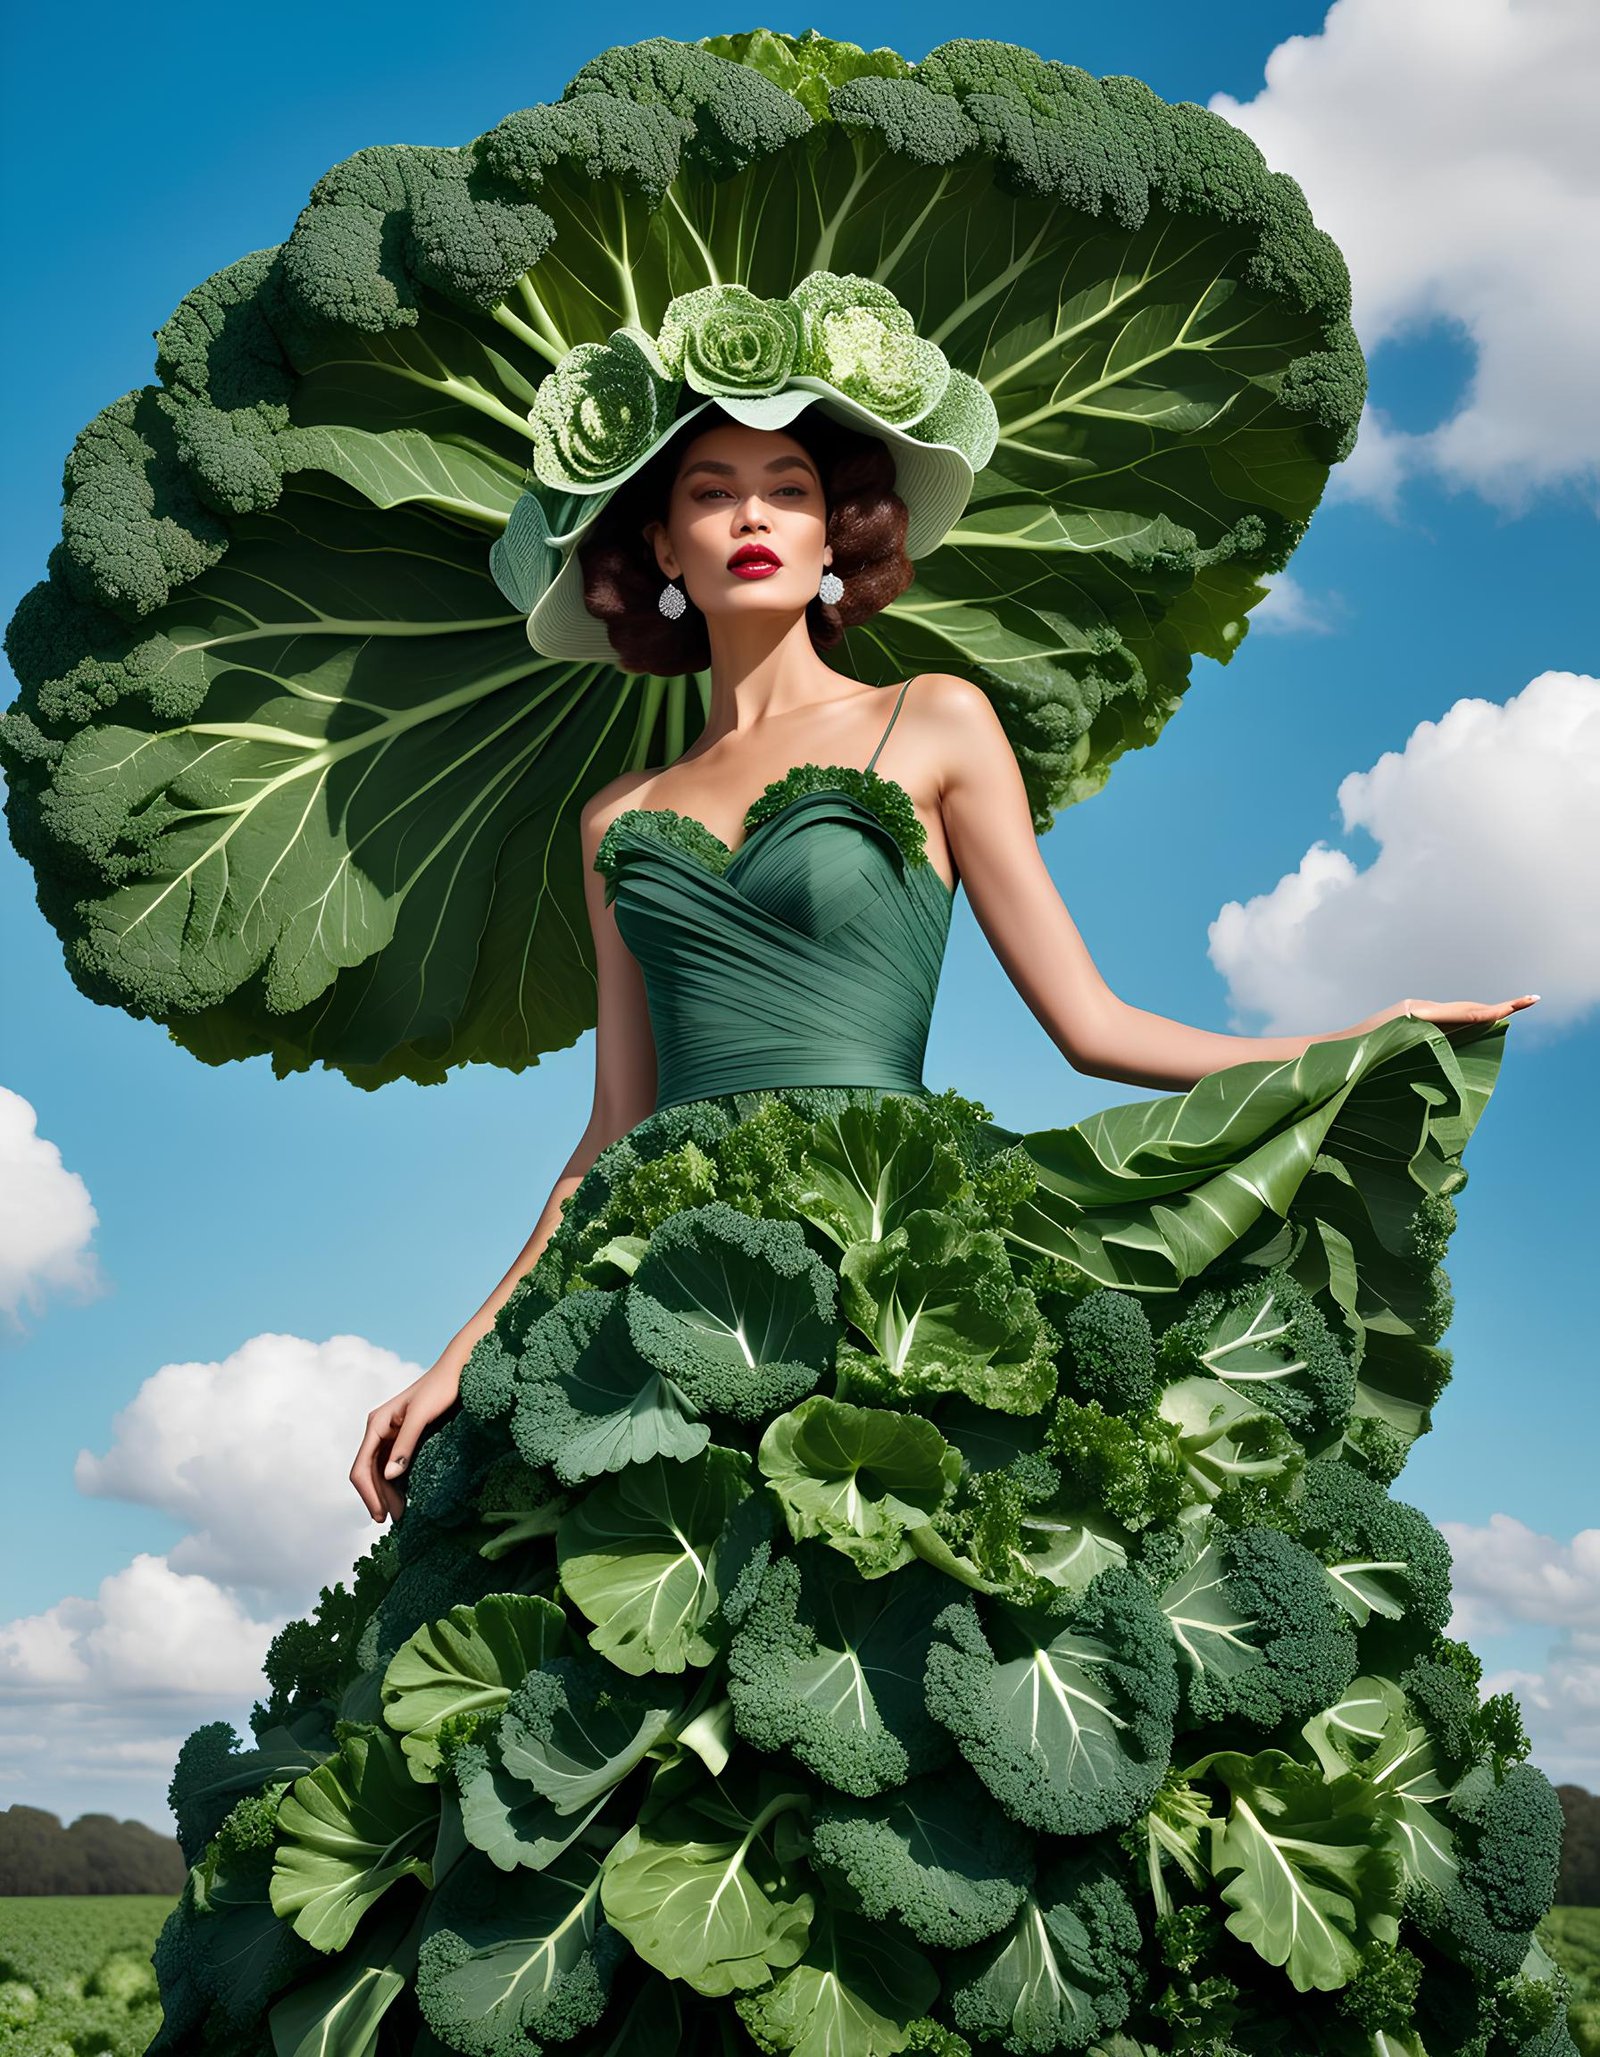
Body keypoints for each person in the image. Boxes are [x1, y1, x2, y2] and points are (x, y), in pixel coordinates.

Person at [349, 404, 1536, 1527]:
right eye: (712, 493)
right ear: (662, 542)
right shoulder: (614, 819)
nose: (752, 517)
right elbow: (613, 1127)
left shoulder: (933, 718)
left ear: (833, 535)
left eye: (788, 490)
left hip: (890, 1231)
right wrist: (457, 1352)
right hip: (663, 1261)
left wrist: (1355, 1043)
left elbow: (1091, 1024)